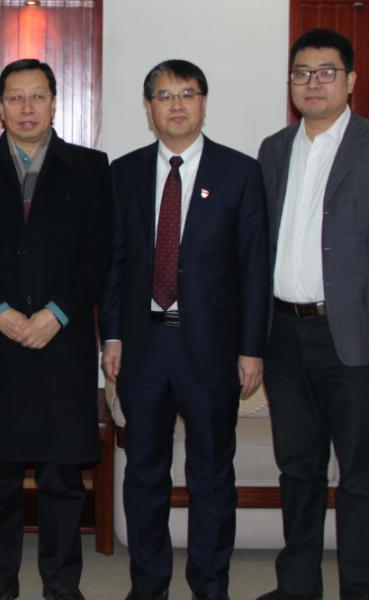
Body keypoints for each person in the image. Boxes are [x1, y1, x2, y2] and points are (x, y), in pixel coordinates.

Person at [254, 29, 369, 600]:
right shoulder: (274, 150)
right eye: (302, 73)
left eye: (326, 72)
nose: (313, 83)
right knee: (297, 470)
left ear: (350, 80)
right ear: (290, 83)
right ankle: (297, 587)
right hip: (284, 335)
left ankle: (365, 591)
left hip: (353, 336)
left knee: (362, 477)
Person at [0, 59, 113, 600]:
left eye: (37, 96)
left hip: (62, 341)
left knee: (63, 475)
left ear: (54, 103)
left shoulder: (90, 167)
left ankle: (62, 584)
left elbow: (99, 253)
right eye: (15, 98)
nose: (26, 108)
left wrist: (58, 312)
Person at [100, 60, 269, 600]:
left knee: (211, 476)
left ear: (204, 103)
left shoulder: (239, 172)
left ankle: (209, 586)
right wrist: (111, 336)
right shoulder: (123, 173)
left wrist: (251, 348)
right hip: (143, 347)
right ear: (148, 108)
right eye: (164, 95)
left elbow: (254, 268)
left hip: (211, 351)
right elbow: (114, 262)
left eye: (187, 94)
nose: (176, 105)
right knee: (143, 474)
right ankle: (148, 585)